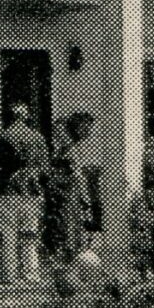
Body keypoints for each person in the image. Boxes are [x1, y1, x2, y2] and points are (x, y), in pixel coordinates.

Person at [0, 102, 49, 285]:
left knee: (8, 234)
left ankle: (9, 275)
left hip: (8, 191)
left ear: (10, 117)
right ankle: (30, 274)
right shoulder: (37, 138)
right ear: (26, 116)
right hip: (31, 191)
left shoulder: (2, 138)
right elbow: (45, 168)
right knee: (29, 234)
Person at [42, 111, 95, 265]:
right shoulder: (69, 149)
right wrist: (86, 198)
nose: (88, 132)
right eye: (86, 128)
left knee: (68, 229)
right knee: (67, 229)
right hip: (67, 195)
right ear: (78, 128)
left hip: (66, 195)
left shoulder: (67, 147)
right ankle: (66, 259)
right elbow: (76, 174)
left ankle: (65, 258)